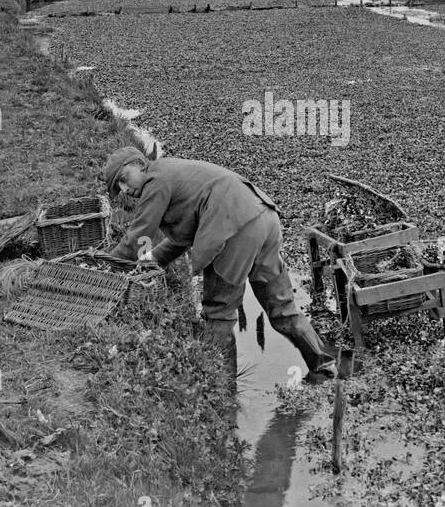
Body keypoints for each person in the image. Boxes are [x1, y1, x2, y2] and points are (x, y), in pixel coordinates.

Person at [102, 146, 337, 383]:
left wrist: (106, 268)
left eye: (123, 178)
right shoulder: (171, 172)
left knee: (218, 313)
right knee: (283, 308)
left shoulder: (155, 181)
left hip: (233, 230)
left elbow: (138, 236)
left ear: (140, 164)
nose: (124, 189)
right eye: (118, 187)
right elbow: (182, 238)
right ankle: (326, 369)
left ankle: (223, 390)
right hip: (263, 216)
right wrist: (153, 261)